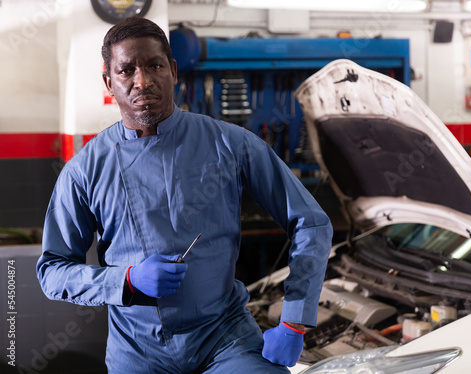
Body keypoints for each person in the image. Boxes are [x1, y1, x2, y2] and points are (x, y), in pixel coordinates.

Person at [37, 17, 333, 373]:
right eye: (126, 71)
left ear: (173, 71)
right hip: (137, 350)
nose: (142, 81)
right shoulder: (85, 170)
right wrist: (127, 279)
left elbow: (311, 223)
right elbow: (53, 272)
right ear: (109, 82)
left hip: (224, 338)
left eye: (154, 66)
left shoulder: (230, 143)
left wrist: (294, 320)